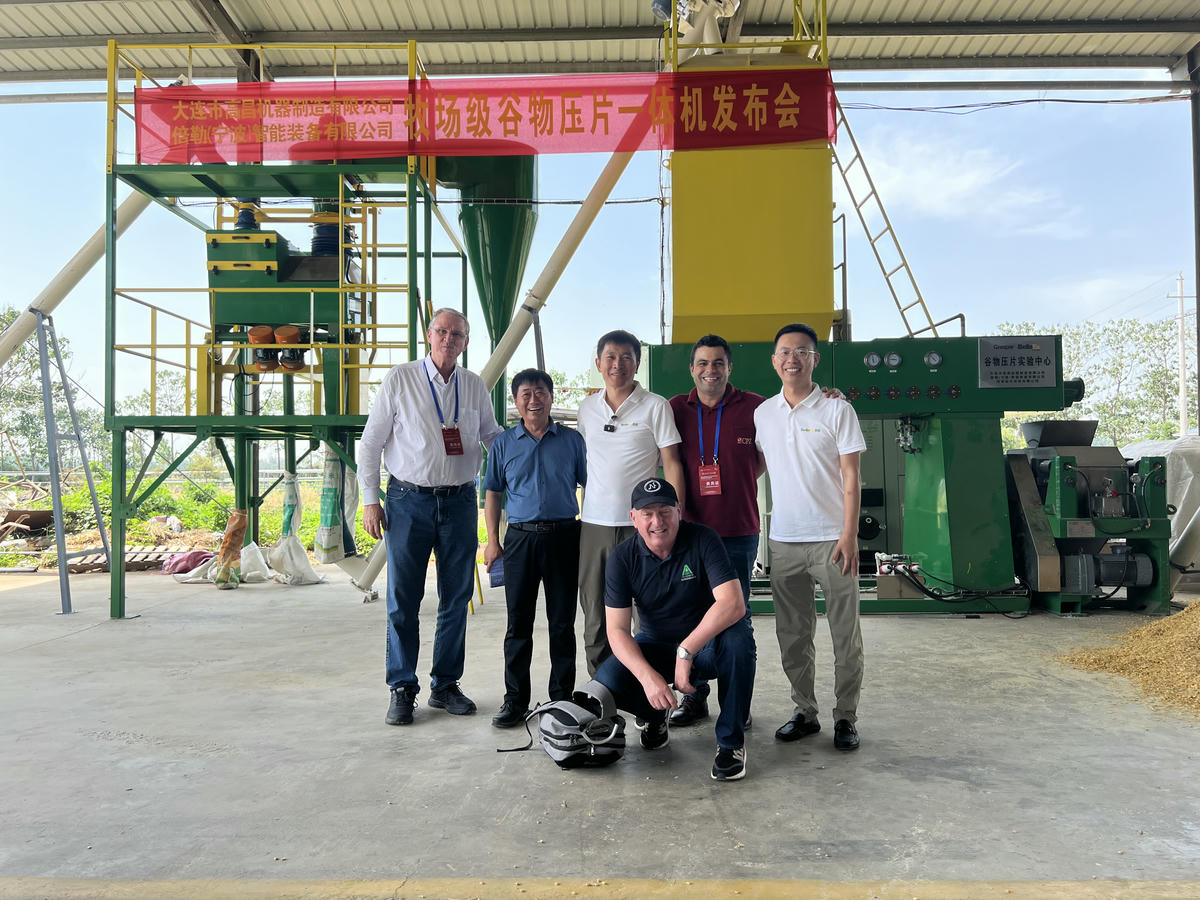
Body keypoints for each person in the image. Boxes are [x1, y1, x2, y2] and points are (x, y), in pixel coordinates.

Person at [358, 308, 504, 727]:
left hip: (459, 502)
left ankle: (445, 685)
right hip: (408, 501)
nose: (448, 339)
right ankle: (402, 688)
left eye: (456, 333)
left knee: (456, 597)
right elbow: (371, 444)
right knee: (404, 598)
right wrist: (371, 500)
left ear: (465, 342)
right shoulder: (400, 379)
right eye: (441, 331)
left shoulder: (474, 386)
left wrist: (526, 446)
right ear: (429, 334)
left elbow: (492, 436)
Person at [595, 477, 757, 781]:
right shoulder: (622, 558)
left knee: (739, 640)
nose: (657, 521)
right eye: (647, 513)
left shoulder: (704, 539)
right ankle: (655, 716)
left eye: (665, 511)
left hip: (706, 645)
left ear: (678, 511)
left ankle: (731, 743)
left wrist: (687, 650)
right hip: (656, 645)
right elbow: (617, 630)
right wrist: (649, 678)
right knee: (609, 677)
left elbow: (733, 603)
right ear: (634, 518)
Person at [754, 323, 867, 752]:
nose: (792, 358)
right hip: (783, 542)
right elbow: (762, 467)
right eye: (785, 351)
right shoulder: (762, 414)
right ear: (774, 360)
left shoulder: (838, 411)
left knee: (844, 634)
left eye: (802, 351)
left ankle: (846, 717)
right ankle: (805, 710)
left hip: (833, 541)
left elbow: (852, 477)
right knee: (793, 635)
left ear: (815, 359)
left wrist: (850, 534)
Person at [666, 334, 764, 727]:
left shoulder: (756, 407)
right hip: (689, 532)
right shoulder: (674, 408)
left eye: (718, 363)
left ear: (729, 368)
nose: (711, 370)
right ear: (692, 369)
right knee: (691, 616)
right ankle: (694, 698)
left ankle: (735, 705)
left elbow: (761, 459)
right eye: (703, 363)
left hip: (738, 531)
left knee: (736, 619)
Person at [482, 369, 587, 728]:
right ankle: (515, 701)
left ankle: (561, 699)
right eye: (525, 393)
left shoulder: (573, 442)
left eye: (540, 392)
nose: (533, 400)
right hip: (520, 540)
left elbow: (591, 486)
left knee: (562, 623)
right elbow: (493, 492)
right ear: (515, 401)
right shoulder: (503, 444)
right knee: (518, 624)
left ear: (551, 397)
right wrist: (493, 540)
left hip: (564, 537)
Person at [576, 329, 685, 676]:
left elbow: (672, 464)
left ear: (637, 364)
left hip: (645, 526)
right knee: (596, 614)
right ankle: (602, 695)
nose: (617, 364)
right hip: (595, 525)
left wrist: (673, 517)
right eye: (610, 357)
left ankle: (653, 697)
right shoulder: (586, 408)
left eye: (626, 357)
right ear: (598, 363)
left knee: (653, 614)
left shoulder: (656, 406)